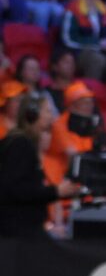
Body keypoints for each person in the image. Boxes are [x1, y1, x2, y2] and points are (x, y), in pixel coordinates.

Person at [0, 96, 81, 238]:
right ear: (32, 115)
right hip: (18, 233)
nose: (52, 117)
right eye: (48, 111)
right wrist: (55, 191)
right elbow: (15, 190)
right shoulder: (20, 144)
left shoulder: (22, 142)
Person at [61, 0, 106, 81]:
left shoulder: (105, 10)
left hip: (102, 50)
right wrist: (96, 44)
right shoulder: (73, 9)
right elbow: (67, 39)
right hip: (78, 52)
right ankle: (90, 93)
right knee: (97, 60)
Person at [42, 80, 95, 185]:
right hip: (58, 177)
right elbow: (73, 154)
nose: (90, 106)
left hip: (84, 174)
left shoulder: (89, 124)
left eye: (91, 102)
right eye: (85, 102)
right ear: (72, 105)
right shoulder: (59, 125)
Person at [46, 50, 77, 114]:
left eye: (72, 62)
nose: (70, 65)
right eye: (66, 62)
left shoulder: (80, 91)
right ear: (54, 66)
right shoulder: (45, 94)